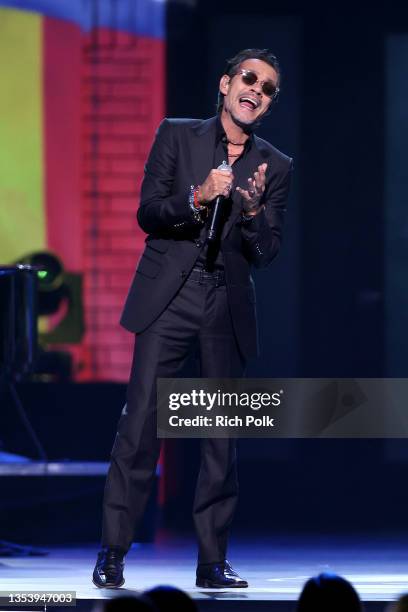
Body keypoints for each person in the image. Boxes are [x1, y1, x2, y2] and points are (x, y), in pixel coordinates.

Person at [92, 48, 293, 590]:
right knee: (139, 429)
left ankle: (211, 560)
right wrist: (196, 197)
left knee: (218, 439)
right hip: (169, 297)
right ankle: (112, 552)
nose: (256, 90)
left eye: (268, 87)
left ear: (270, 104)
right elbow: (148, 212)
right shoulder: (177, 136)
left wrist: (251, 215)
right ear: (226, 83)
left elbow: (267, 251)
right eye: (249, 78)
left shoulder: (275, 165)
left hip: (225, 305)